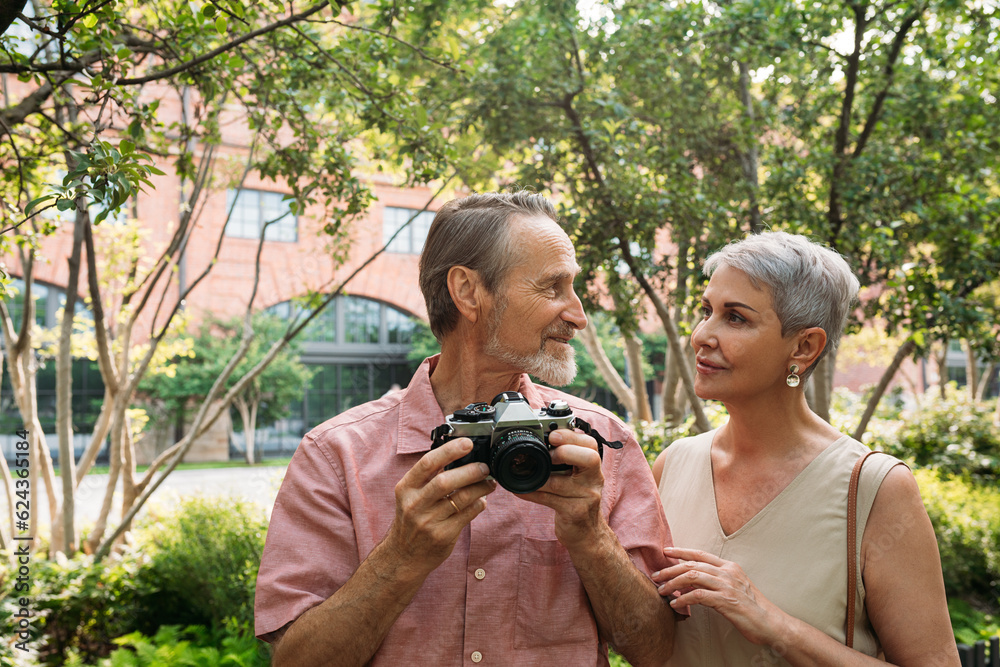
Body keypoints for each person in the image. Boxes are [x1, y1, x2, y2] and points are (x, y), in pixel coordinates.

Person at [255, 191, 680, 666]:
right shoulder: (335, 455)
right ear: (468, 292)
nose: (578, 314)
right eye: (552, 287)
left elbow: (658, 650)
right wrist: (401, 556)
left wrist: (590, 536)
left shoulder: (601, 441)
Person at [651, 231, 959, 666]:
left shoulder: (874, 488)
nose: (702, 335)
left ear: (804, 347)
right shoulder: (673, 465)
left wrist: (773, 623)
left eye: (735, 318)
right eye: (707, 311)